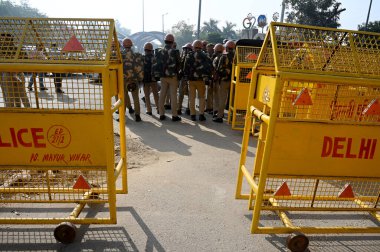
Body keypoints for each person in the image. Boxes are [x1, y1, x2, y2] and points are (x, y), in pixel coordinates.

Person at [154, 33, 181, 121]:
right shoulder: (175, 51)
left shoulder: (159, 51)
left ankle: (161, 114)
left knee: (162, 94)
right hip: (172, 76)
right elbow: (179, 64)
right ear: (172, 42)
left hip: (162, 76)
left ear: (165, 41)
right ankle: (174, 115)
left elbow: (156, 63)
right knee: (173, 96)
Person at [183, 40, 212, 121]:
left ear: (193, 46)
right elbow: (209, 67)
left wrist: (186, 77)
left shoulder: (189, 55)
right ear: (202, 47)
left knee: (191, 98)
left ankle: (193, 114)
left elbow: (185, 68)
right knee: (201, 98)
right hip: (201, 80)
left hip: (191, 80)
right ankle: (201, 115)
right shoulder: (205, 56)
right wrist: (207, 77)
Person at [119, 38, 143, 122]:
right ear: (131, 45)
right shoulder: (137, 55)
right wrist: (140, 79)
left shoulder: (120, 55)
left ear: (123, 45)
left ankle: (122, 117)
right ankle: (137, 116)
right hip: (134, 80)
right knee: (136, 98)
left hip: (123, 80)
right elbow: (139, 68)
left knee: (123, 98)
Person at [213, 40, 235, 123]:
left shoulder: (224, 56)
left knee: (222, 99)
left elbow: (219, 69)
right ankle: (232, 117)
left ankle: (220, 116)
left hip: (224, 81)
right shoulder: (237, 56)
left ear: (226, 47)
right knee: (233, 100)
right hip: (234, 81)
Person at [142, 42, 159, 116]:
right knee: (156, 95)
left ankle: (149, 110)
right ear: (152, 50)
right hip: (153, 79)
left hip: (145, 80)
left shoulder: (142, 58)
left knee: (147, 96)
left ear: (144, 49)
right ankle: (159, 109)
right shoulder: (155, 58)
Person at [177, 42, 192, 115]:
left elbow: (180, 67)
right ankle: (188, 109)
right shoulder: (193, 57)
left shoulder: (183, 57)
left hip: (184, 77)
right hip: (190, 78)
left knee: (181, 94)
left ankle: (179, 109)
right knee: (190, 95)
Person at [211, 43, 225, 117]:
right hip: (222, 80)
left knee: (217, 97)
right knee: (221, 97)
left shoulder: (217, 58)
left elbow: (214, 69)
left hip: (218, 80)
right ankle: (219, 112)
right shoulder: (224, 57)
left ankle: (217, 112)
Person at [205, 43, 215, 114]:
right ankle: (208, 107)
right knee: (208, 93)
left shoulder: (215, 56)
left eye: (210, 48)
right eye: (208, 48)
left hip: (213, 76)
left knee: (212, 93)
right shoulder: (206, 55)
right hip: (208, 76)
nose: (208, 50)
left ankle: (212, 108)